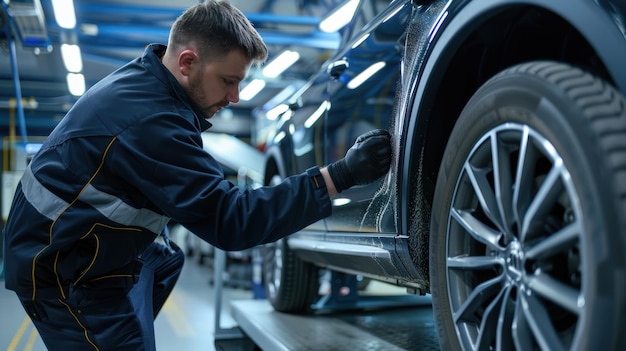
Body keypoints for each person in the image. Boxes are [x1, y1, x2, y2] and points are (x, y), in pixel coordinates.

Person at [1, 1, 392, 350]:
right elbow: (231, 220)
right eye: (228, 80)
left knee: (165, 258)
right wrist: (339, 175)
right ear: (187, 63)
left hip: (82, 243)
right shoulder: (148, 119)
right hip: (63, 267)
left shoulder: (153, 89)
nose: (235, 97)